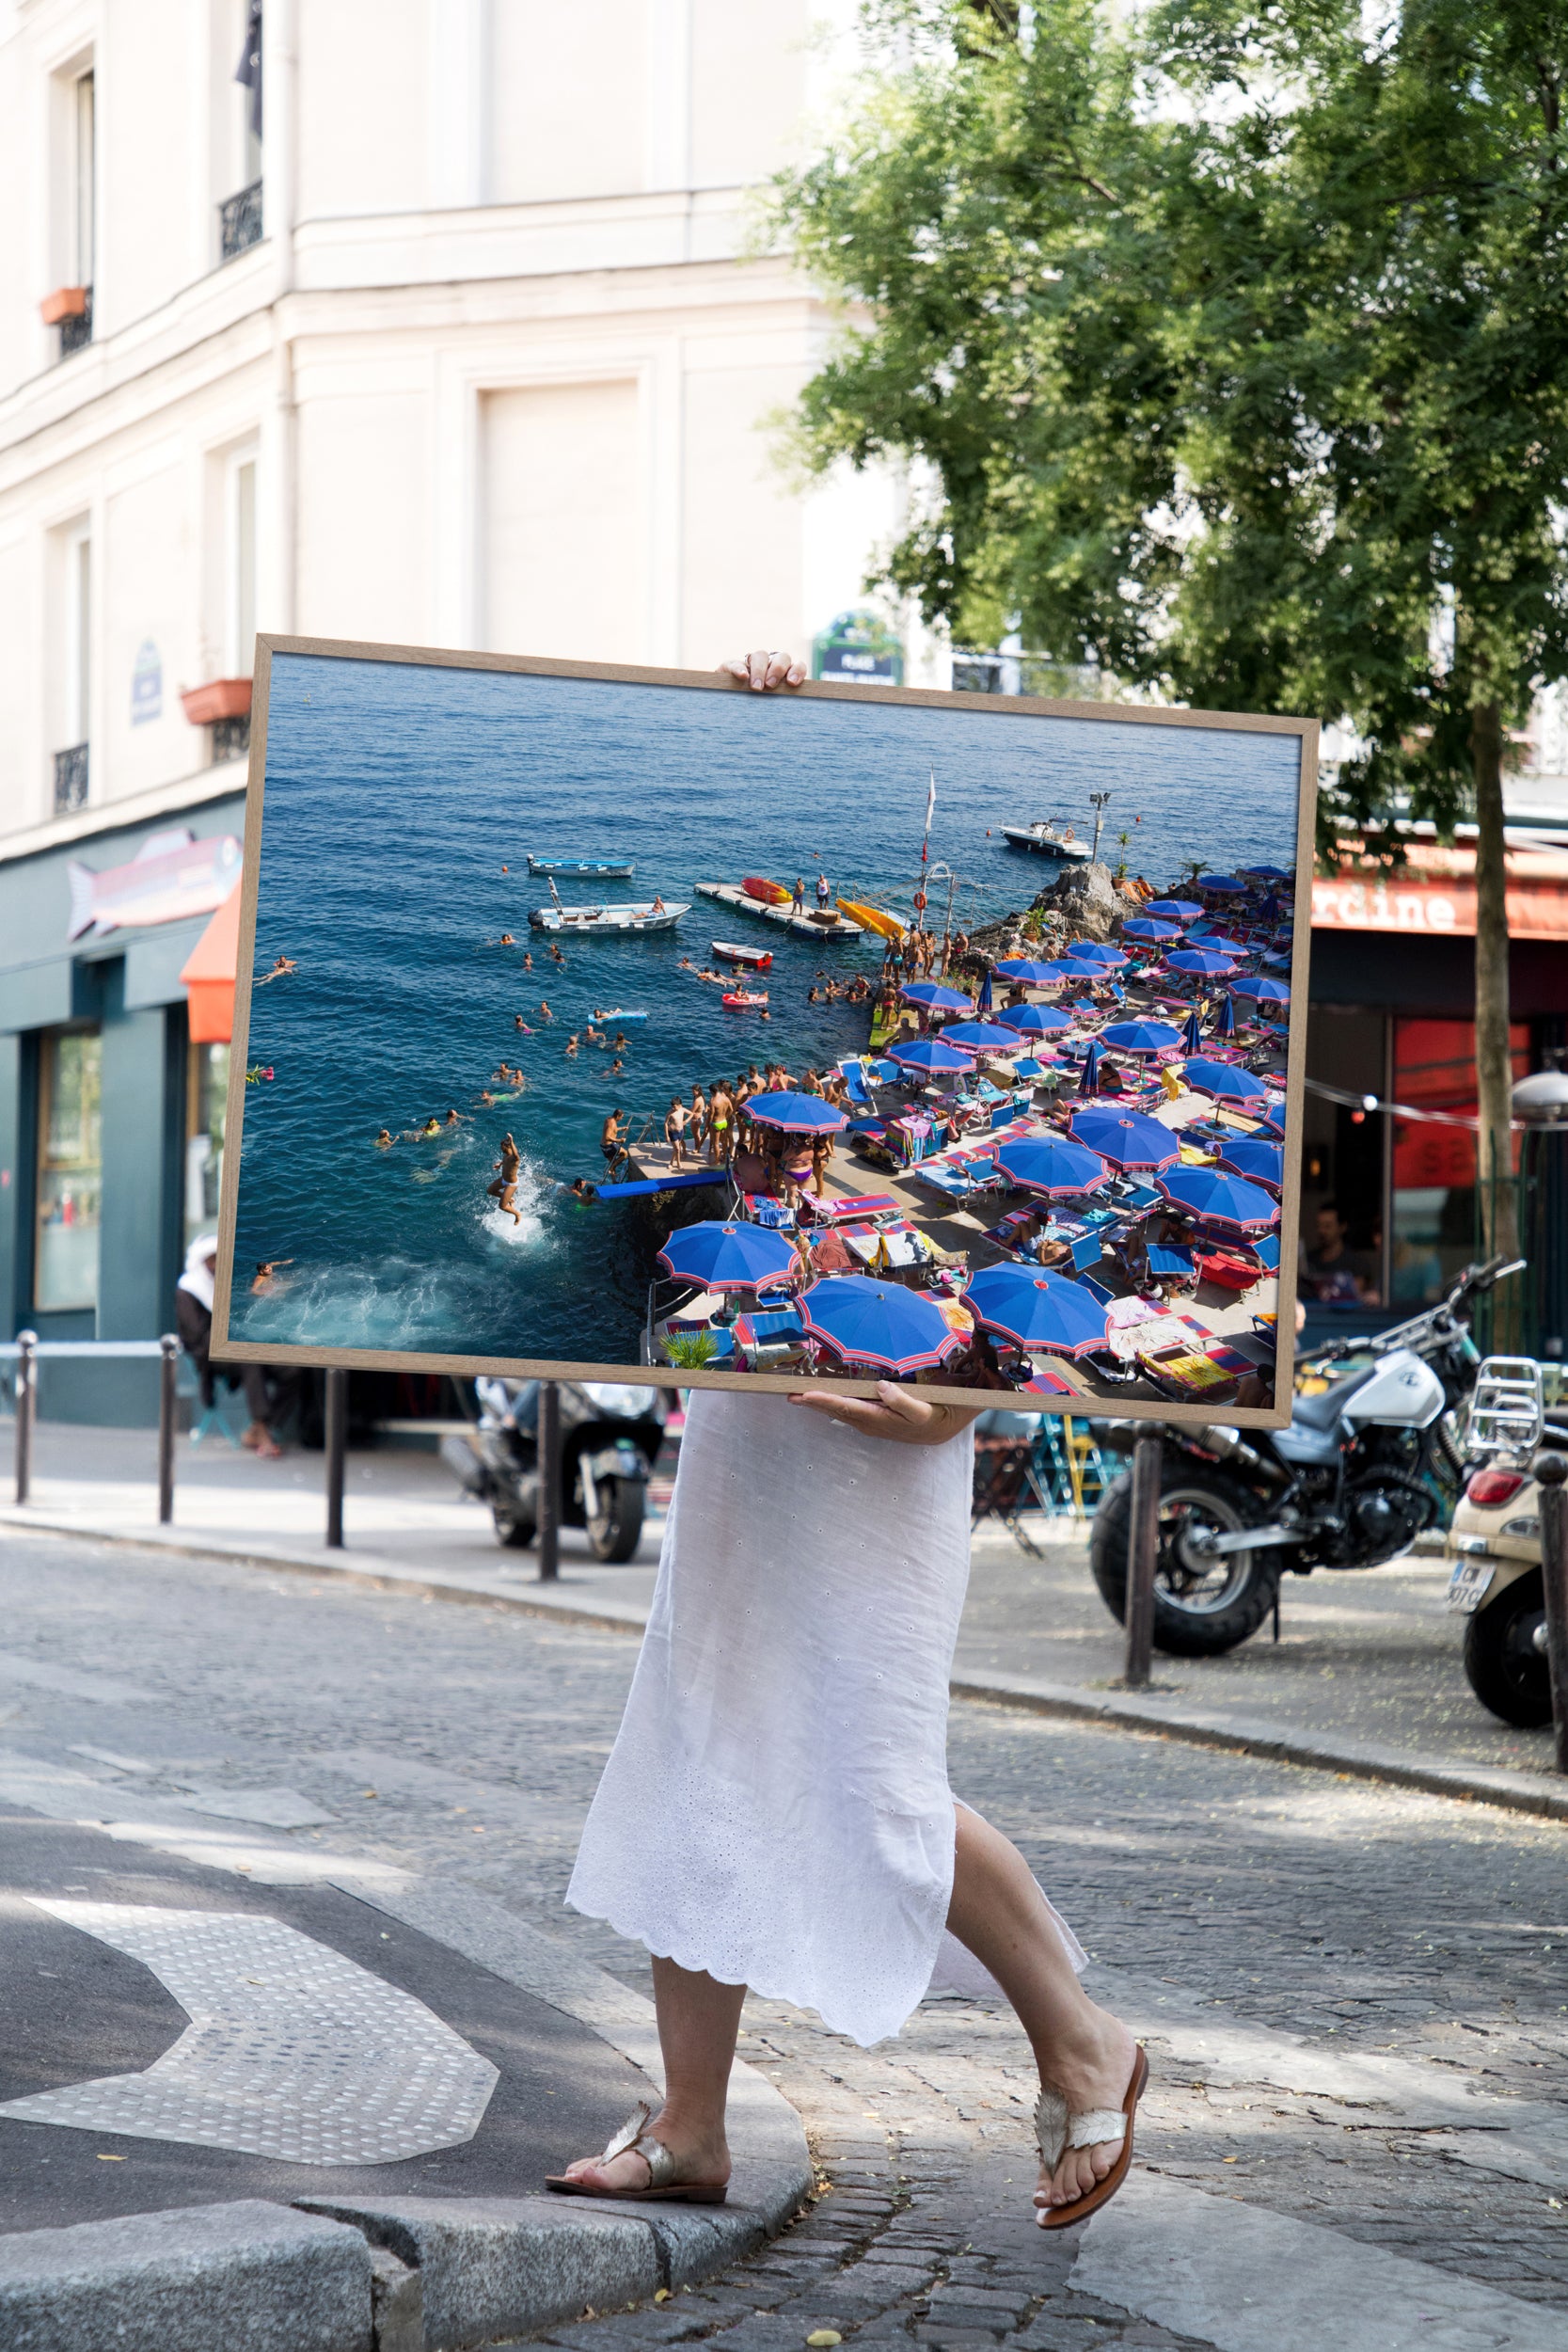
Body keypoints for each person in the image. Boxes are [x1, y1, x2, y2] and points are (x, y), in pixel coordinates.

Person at [551, 660, 1142, 2233]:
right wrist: (765, 707)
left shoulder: (949, 1132)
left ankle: (1084, 2041)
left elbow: (1026, 1308)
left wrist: (955, 1396)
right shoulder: (777, 1133)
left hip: (888, 1439)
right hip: (754, 1439)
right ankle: (688, 2126)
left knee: (866, 1776)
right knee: (697, 1746)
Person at [175, 1235, 289, 1459]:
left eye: (221, 1258)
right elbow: (198, 1337)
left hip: (246, 1346)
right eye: (212, 1259)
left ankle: (260, 1426)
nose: (217, 1264)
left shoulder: (229, 1281)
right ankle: (263, 1433)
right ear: (203, 1262)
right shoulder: (188, 1290)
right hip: (210, 1356)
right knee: (248, 1358)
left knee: (294, 1369)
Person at [1305, 1200, 1378, 1305]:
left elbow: (1354, 1298)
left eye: (1327, 1226)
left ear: (1342, 1227)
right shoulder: (1309, 1260)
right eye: (1319, 1226)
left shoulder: (1357, 1262)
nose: (1321, 1231)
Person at [601, 1107, 629, 1176]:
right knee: (625, 1154)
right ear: (617, 1116)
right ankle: (611, 1168)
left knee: (613, 1162)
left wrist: (621, 1128)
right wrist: (620, 1140)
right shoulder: (613, 1123)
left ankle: (614, 1181)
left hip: (603, 1146)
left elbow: (612, 1129)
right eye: (621, 1117)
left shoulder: (608, 1119)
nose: (621, 1119)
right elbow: (607, 1137)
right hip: (609, 1146)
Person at [665, 1095, 689, 1169]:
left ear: (679, 1105)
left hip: (680, 1132)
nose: (673, 1108)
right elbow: (666, 1124)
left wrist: (686, 1121)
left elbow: (691, 1114)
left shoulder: (682, 1110)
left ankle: (671, 1162)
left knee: (676, 1149)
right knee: (678, 1149)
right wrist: (667, 1136)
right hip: (673, 1133)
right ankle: (679, 1163)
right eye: (672, 1106)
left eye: (674, 1106)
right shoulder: (670, 1113)